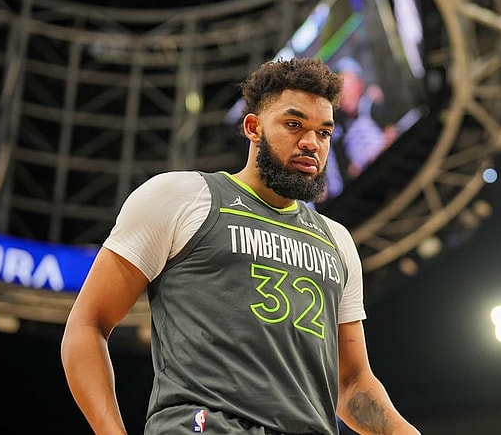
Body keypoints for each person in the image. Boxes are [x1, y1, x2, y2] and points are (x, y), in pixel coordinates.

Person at [61, 57, 420, 435]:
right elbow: (88, 325)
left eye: (324, 132)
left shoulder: (337, 241)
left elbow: (352, 385)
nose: (311, 143)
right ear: (253, 127)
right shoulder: (181, 197)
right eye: (294, 125)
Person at [324, 56, 388, 199]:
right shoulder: (337, 127)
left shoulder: (375, 107)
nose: (344, 95)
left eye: (347, 87)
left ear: (360, 85)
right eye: (338, 91)